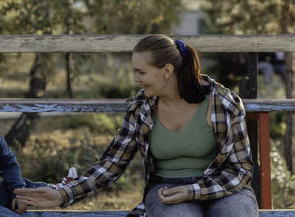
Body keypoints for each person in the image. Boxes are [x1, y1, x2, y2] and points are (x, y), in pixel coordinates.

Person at [14, 35, 258, 217]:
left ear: (167, 71)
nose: (136, 79)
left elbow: (241, 169)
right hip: (167, 189)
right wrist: (63, 194)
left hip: (223, 187)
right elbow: (112, 164)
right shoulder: (142, 108)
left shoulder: (223, 103)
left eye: (141, 72)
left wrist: (193, 191)